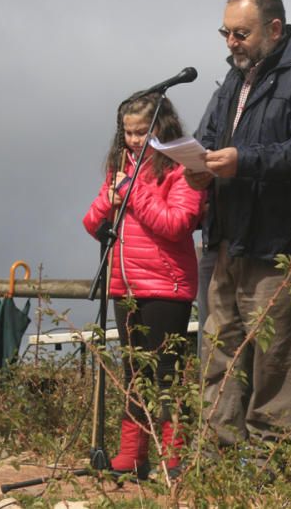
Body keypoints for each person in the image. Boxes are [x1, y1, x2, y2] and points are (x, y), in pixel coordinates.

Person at [187, 0, 291, 449]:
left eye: (241, 33)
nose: (231, 43)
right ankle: (213, 466)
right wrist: (200, 169)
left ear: (274, 29)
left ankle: (268, 470)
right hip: (226, 240)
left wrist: (243, 160)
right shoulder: (235, 78)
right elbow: (208, 137)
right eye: (226, 33)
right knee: (219, 356)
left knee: (277, 363)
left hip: (278, 244)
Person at [83, 93, 205, 479]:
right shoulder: (121, 168)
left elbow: (176, 224)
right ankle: (132, 454)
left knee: (167, 372)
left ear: (162, 127)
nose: (134, 139)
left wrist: (132, 191)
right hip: (126, 284)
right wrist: (110, 196)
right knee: (134, 370)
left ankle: (175, 457)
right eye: (128, 132)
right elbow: (91, 223)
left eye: (142, 131)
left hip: (167, 285)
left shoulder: (181, 169)